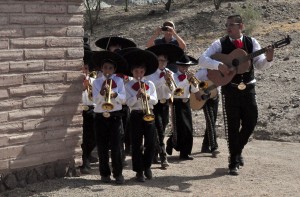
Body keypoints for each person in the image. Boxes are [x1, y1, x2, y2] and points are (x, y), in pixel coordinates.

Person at [198, 14, 274, 175]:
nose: (228, 28)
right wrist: (218, 65)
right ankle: (233, 161)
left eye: (231, 25)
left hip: (248, 88)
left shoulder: (251, 42)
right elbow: (202, 60)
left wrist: (268, 58)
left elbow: (260, 65)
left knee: (251, 122)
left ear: (241, 26)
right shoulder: (220, 43)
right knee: (232, 126)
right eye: (227, 25)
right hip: (230, 89)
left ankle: (237, 150)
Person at [95, 36, 137, 160]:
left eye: (119, 48)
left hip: (121, 102)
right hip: (106, 106)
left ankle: (122, 152)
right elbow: (98, 81)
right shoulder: (103, 69)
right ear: (109, 49)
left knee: (123, 130)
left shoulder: (124, 67)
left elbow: (130, 82)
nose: (118, 49)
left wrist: (126, 80)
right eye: (115, 48)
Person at [92, 51, 128, 184]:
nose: (107, 70)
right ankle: (104, 173)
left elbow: (124, 100)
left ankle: (118, 174)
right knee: (102, 146)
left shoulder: (118, 81)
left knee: (117, 146)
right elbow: (95, 100)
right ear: (102, 68)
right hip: (101, 116)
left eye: (110, 68)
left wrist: (114, 95)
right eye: (105, 67)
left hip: (115, 117)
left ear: (114, 70)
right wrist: (102, 93)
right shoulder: (96, 82)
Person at [123, 48, 158, 182]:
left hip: (149, 113)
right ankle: (139, 170)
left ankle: (147, 166)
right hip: (136, 115)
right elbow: (128, 102)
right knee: (136, 144)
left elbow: (155, 100)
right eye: (136, 71)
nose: (139, 74)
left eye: (141, 71)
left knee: (151, 142)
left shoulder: (150, 84)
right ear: (132, 72)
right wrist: (137, 96)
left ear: (145, 72)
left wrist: (147, 96)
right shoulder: (128, 85)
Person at [146, 44, 184, 168]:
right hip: (155, 104)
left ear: (167, 62)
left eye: (164, 60)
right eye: (159, 60)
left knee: (163, 128)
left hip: (165, 104)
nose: (162, 63)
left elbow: (172, 90)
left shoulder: (170, 73)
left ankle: (154, 153)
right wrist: (163, 79)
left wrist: (169, 83)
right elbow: (152, 87)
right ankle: (163, 156)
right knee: (159, 130)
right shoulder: (151, 74)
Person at [166, 54, 199, 160]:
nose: (185, 68)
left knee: (188, 128)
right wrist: (186, 80)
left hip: (186, 103)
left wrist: (193, 82)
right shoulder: (173, 76)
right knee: (179, 127)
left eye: (186, 66)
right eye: (182, 66)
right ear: (178, 66)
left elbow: (195, 90)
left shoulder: (189, 76)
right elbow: (177, 92)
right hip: (177, 103)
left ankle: (185, 153)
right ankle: (171, 142)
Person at [79, 39, 98, 174]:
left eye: (86, 68)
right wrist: (82, 88)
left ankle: (89, 153)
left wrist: (89, 87)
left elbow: (97, 97)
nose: (84, 71)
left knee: (94, 137)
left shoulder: (94, 81)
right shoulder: (76, 82)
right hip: (81, 111)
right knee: (84, 137)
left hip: (92, 109)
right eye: (82, 69)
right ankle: (84, 159)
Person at [194, 68, 220, 157]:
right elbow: (192, 81)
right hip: (205, 99)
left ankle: (205, 146)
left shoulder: (221, 71)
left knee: (212, 121)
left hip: (215, 97)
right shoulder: (202, 72)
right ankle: (214, 146)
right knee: (210, 120)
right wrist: (198, 92)